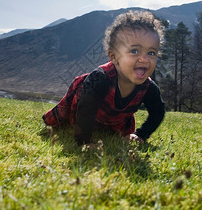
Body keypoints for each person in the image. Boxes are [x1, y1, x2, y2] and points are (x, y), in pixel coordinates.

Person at [42, 10, 166, 146]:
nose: (144, 58)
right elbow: (85, 111)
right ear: (113, 57)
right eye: (134, 51)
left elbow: (158, 113)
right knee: (66, 122)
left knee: (113, 132)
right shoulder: (99, 79)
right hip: (81, 113)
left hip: (114, 123)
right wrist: (84, 142)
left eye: (151, 52)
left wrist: (141, 134)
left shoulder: (149, 88)